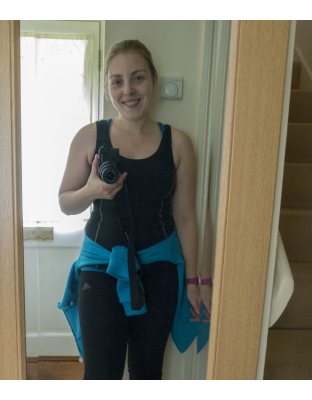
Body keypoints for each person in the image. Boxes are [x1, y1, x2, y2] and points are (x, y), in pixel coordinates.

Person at [56, 39, 210, 380]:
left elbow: (186, 217)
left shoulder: (179, 143)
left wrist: (196, 282)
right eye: (117, 81)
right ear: (108, 87)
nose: (128, 90)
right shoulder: (89, 137)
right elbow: (65, 202)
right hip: (100, 269)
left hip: (160, 272)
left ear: (153, 80)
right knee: (100, 374)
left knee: (147, 372)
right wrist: (92, 191)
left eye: (137, 78)